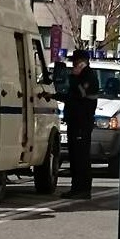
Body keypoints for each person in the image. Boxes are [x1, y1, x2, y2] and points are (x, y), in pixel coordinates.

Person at [42, 50, 98, 199]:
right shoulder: (82, 76)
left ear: (82, 61)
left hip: (82, 122)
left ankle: (82, 189)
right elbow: (71, 97)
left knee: (81, 157)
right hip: (76, 121)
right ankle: (77, 188)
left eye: (76, 61)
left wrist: (74, 77)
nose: (73, 64)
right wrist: (54, 95)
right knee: (75, 156)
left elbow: (79, 94)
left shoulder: (88, 77)